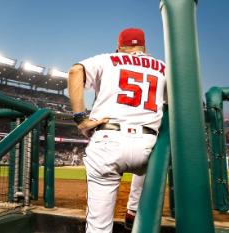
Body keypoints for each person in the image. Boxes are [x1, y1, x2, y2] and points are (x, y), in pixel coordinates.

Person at [68, 28, 166, 233]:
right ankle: (133, 211)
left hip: (108, 139)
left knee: (99, 225)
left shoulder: (108, 59)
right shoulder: (163, 67)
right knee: (147, 170)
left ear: (119, 47)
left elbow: (75, 71)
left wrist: (81, 119)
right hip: (148, 144)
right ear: (145, 48)